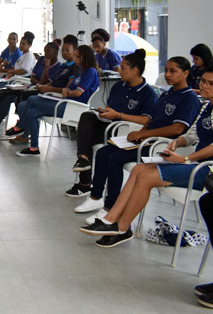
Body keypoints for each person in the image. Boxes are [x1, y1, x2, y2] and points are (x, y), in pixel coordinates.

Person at [79, 66, 213, 248]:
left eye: (210, 83)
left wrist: (185, 159)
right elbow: (192, 135)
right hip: (193, 162)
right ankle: (112, 220)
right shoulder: (206, 106)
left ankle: (121, 226)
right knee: (138, 169)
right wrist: (177, 143)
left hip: (206, 170)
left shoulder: (192, 100)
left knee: (146, 176)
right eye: (203, 81)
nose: (203, 86)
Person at [65, 49, 158, 197]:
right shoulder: (119, 86)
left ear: (135, 70)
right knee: (87, 118)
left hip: (127, 131)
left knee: (87, 137)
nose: (119, 71)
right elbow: (112, 106)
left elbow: (146, 120)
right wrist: (107, 112)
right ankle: (83, 161)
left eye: (123, 68)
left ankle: (85, 182)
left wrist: (118, 115)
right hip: (110, 124)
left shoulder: (148, 94)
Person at [15, 45, 100, 157]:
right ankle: (34, 148)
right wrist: (66, 91)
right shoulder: (80, 71)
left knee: (31, 99)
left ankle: (19, 127)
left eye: (78, 57)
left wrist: (67, 92)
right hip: (65, 102)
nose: (75, 59)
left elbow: (78, 93)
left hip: (72, 108)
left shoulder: (90, 72)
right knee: (31, 112)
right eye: (75, 56)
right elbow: (69, 88)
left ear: (86, 58)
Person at [0, 40, 60, 137]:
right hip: (28, 86)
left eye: (48, 51)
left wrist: (46, 68)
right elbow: (33, 77)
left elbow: (43, 83)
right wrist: (37, 83)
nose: (46, 54)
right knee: (2, 96)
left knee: (7, 99)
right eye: (45, 51)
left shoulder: (57, 66)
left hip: (37, 92)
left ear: (55, 52)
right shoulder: (41, 59)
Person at [6, 36, 78, 139]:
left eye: (67, 50)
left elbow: (66, 89)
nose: (64, 53)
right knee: (22, 104)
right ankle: (32, 144)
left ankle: (21, 128)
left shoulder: (73, 68)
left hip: (57, 98)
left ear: (75, 51)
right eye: (63, 51)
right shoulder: (64, 66)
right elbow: (50, 82)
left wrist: (48, 88)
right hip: (48, 93)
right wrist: (44, 86)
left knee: (29, 100)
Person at [0, 32, 37, 116]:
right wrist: (5, 68)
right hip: (12, 77)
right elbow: (4, 64)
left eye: (23, 44)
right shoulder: (22, 55)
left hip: (19, 81)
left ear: (29, 45)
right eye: (21, 44)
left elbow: (23, 71)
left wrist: (11, 71)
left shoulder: (28, 56)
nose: (21, 46)